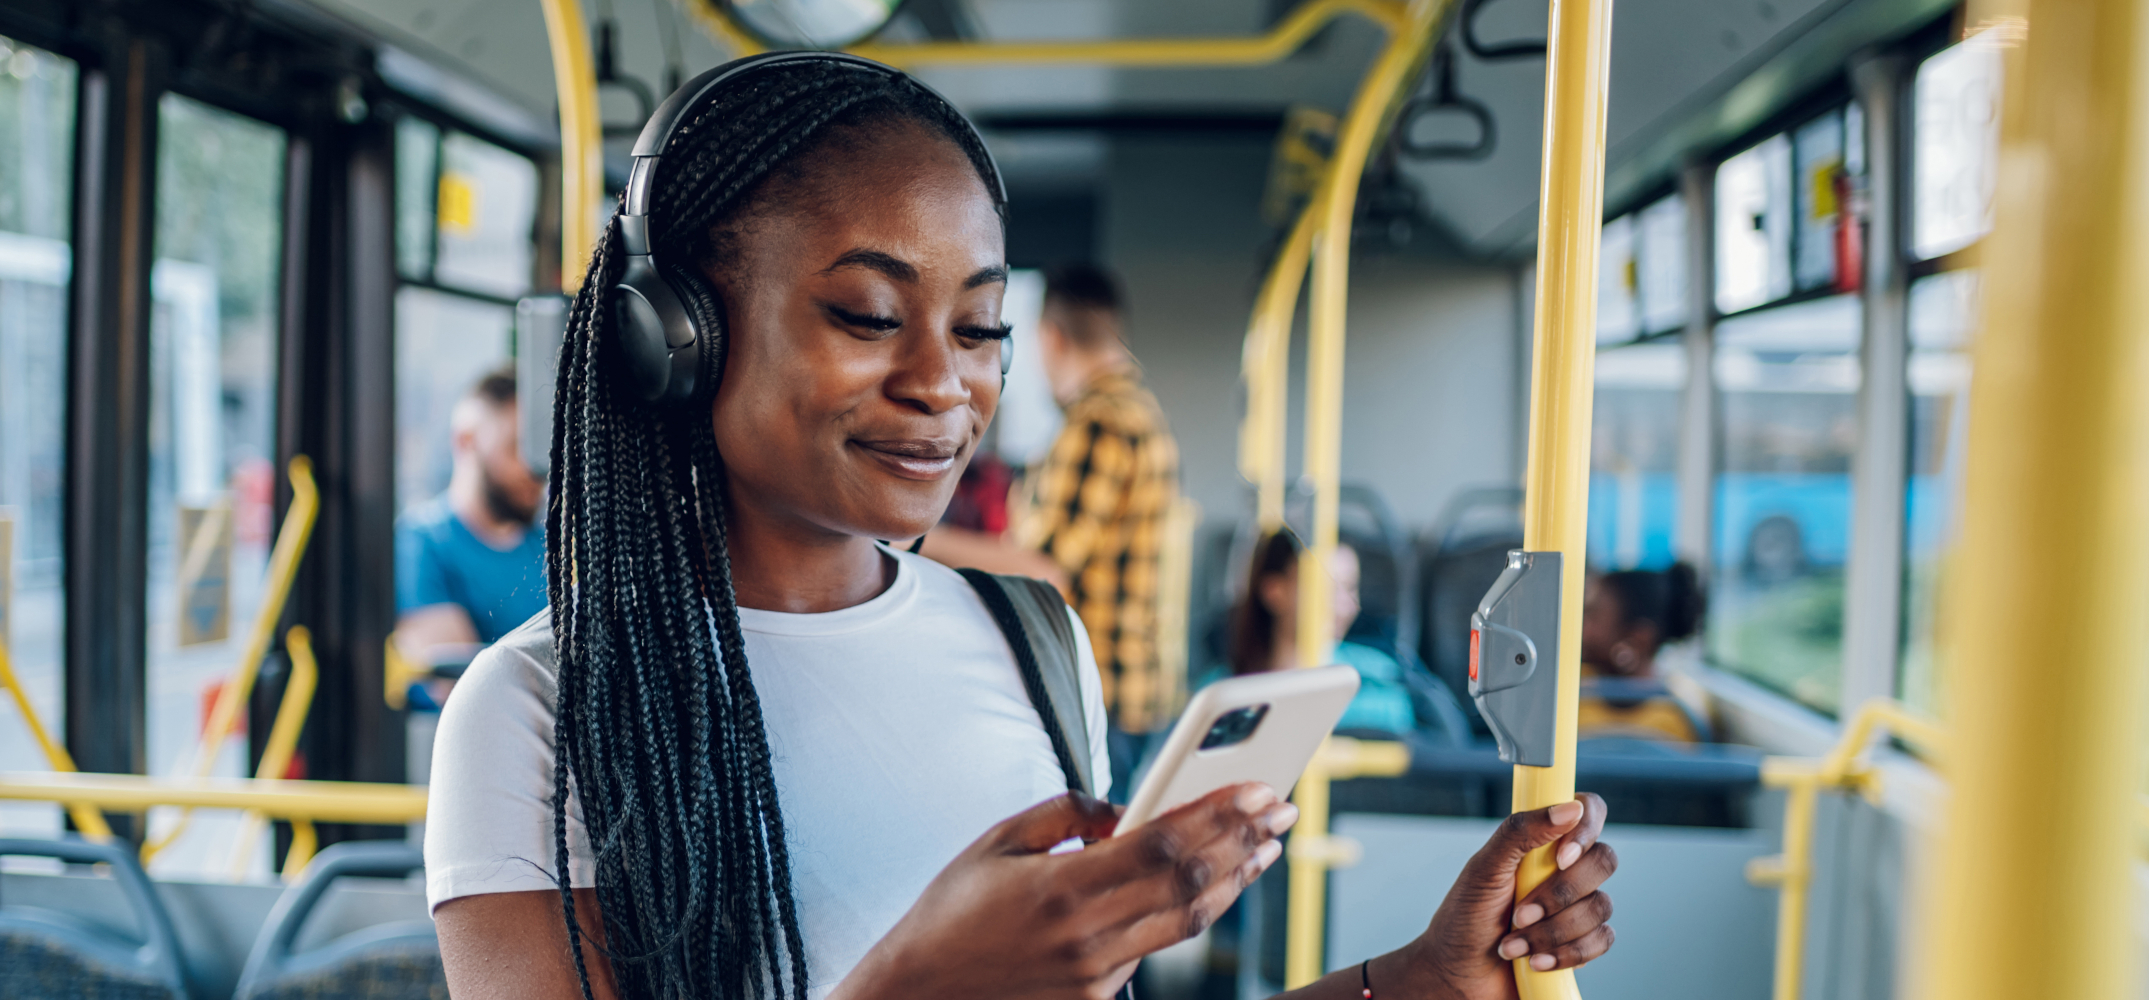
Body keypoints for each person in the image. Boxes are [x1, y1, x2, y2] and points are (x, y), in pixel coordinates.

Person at [426, 53, 1619, 1000]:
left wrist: (1415, 980)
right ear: (673, 336)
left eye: (984, 328)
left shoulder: (1031, 636)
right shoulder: (534, 711)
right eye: (867, 313)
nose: (944, 383)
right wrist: (917, 988)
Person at [1012, 262, 1183, 791]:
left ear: (1051, 338)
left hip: (1097, 692)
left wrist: (920, 542)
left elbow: (1045, 568)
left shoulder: (1099, 423)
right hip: (1134, 689)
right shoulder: (1142, 413)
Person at [394, 367, 548, 665]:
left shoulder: (548, 547)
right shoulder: (420, 543)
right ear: (466, 441)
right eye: (517, 448)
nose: (536, 469)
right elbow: (456, 686)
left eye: (540, 451)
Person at [1226, 531, 1415, 735]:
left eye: (1350, 588)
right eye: (1327, 588)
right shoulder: (1223, 693)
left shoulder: (1382, 682)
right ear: (1274, 591)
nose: (1345, 607)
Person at [1579, 563, 1710, 743]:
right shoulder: (1571, 688)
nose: (1579, 626)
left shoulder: (1678, 718)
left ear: (1636, 640)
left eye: (1592, 616)